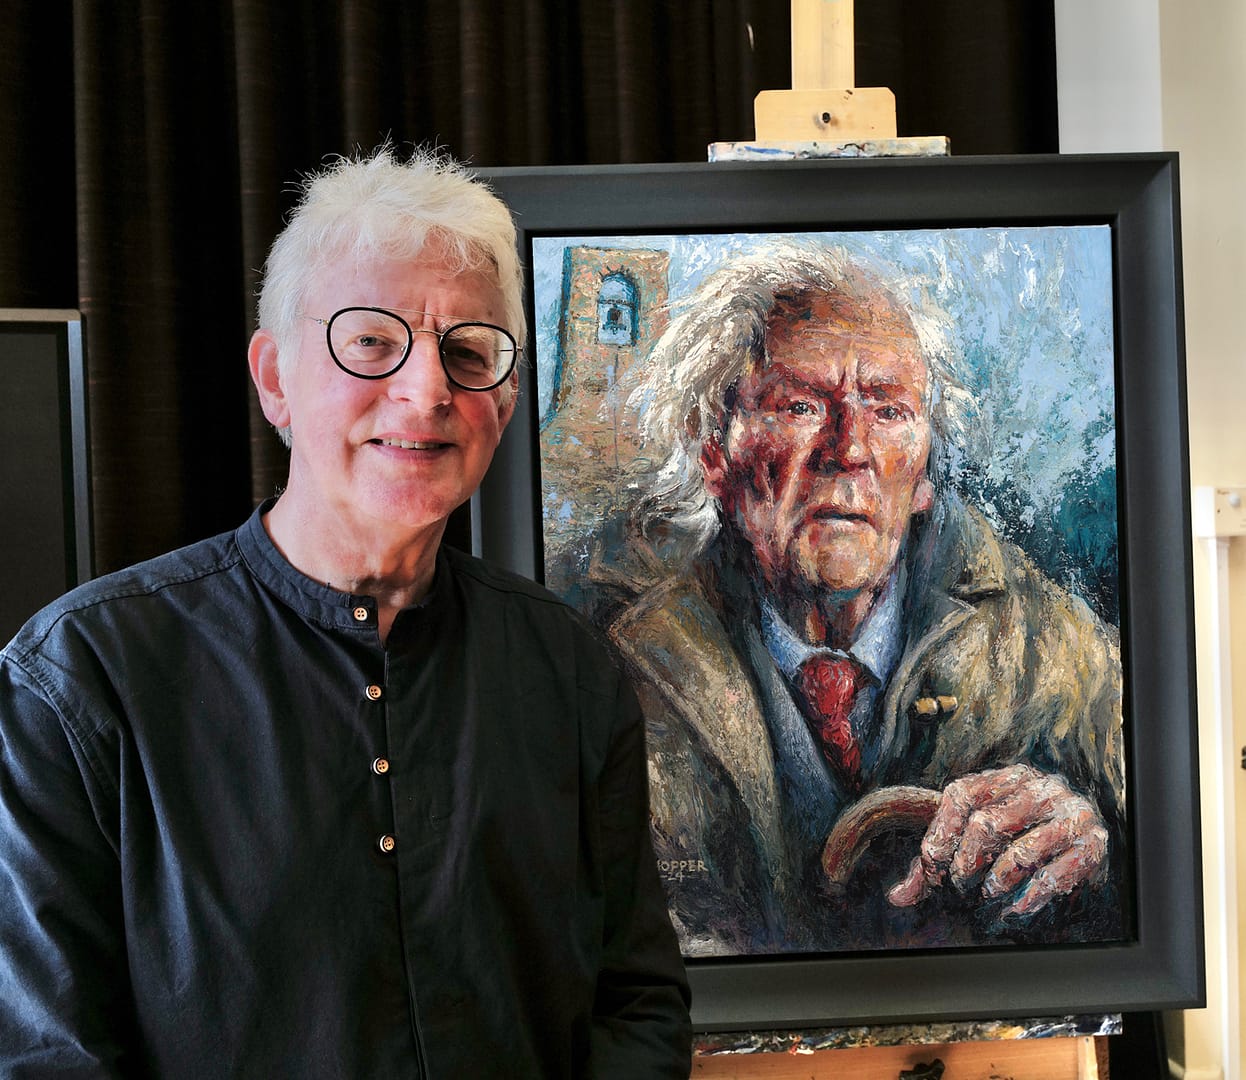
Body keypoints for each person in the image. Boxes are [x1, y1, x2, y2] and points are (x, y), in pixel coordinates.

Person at [0, 147, 691, 1078]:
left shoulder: (570, 667)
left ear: (507, 394)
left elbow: (636, 1003)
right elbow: (49, 1058)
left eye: (468, 351)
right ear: (274, 377)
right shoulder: (80, 681)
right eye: (372, 341)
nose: (428, 391)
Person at [604, 241, 1125, 957]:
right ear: (714, 455)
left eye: (887, 410)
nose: (849, 449)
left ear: (924, 478)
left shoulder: (1051, 648)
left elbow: (1163, 856)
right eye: (800, 404)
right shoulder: (618, 662)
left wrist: (1091, 843)